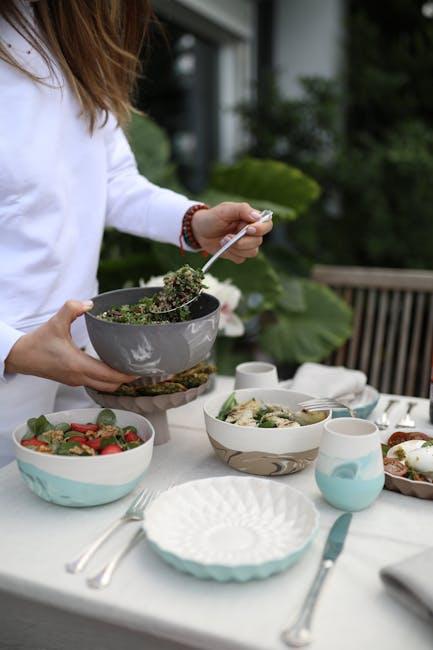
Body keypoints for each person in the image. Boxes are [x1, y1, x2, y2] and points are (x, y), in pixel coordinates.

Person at [0, 0, 272, 466]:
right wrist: (13, 348)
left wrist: (194, 223)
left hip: (80, 353)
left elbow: (113, 181)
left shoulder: (67, 43)